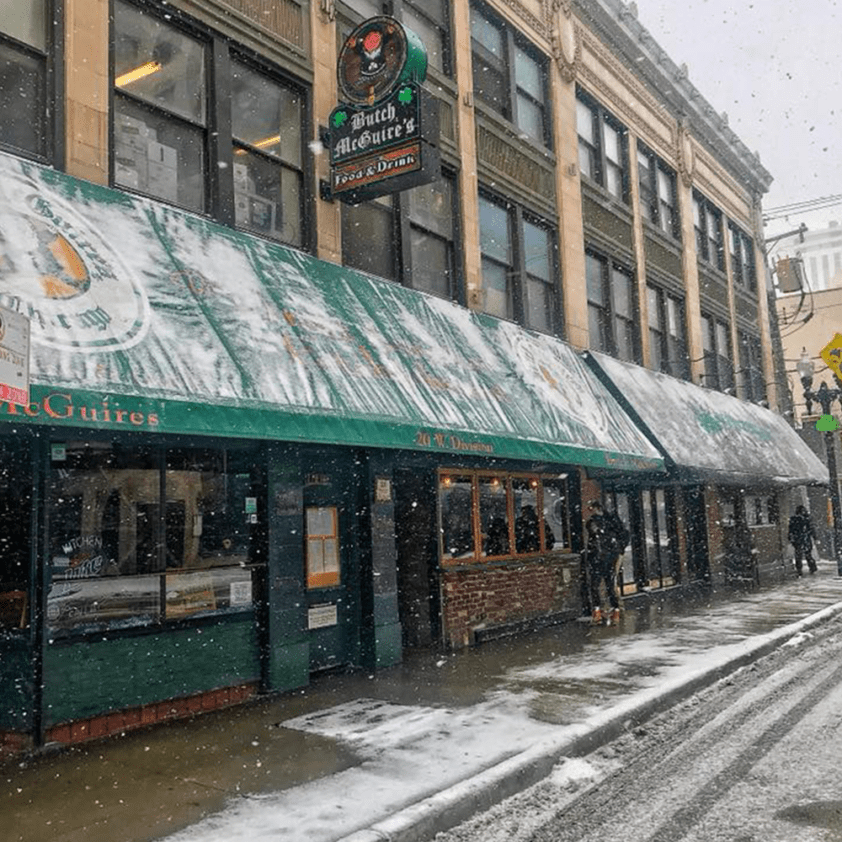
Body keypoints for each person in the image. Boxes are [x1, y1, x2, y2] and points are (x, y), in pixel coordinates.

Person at [585, 500, 622, 624]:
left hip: (598, 559)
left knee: (594, 586)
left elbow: (594, 537)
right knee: (609, 586)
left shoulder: (594, 522)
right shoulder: (611, 522)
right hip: (609, 559)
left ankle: (597, 612)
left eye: (591, 508)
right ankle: (615, 611)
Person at [788, 505, 817, 576]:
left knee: (799, 555)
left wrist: (791, 538)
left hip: (798, 539)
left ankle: (799, 569)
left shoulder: (794, 519)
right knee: (807, 554)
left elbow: (791, 530)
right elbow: (811, 529)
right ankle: (812, 567)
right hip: (805, 538)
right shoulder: (807, 519)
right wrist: (815, 537)